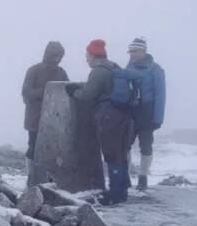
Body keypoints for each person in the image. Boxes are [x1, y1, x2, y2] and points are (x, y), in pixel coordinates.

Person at [65, 39, 133, 205]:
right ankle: (122, 190)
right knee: (121, 152)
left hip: (108, 116)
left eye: (87, 55)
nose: (86, 59)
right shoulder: (115, 67)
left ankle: (115, 194)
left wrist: (74, 92)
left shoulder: (98, 71)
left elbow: (88, 94)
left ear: (94, 55)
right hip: (125, 114)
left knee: (111, 154)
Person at [124, 37, 166, 191]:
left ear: (144, 51)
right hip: (130, 111)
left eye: (135, 51)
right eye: (130, 51)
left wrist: (158, 118)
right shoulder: (128, 66)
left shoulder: (155, 69)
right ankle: (125, 176)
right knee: (125, 145)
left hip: (147, 112)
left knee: (146, 145)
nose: (132, 54)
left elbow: (161, 95)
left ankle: (143, 177)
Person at [21, 41, 69, 175]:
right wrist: (49, 91)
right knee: (33, 148)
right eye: (55, 56)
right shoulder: (34, 70)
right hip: (35, 118)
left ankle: (48, 178)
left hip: (55, 120)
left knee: (53, 150)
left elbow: (67, 91)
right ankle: (31, 177)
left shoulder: (61, 72)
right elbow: (26, 92)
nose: (58, 59)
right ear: (48, 55)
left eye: (60, 57)